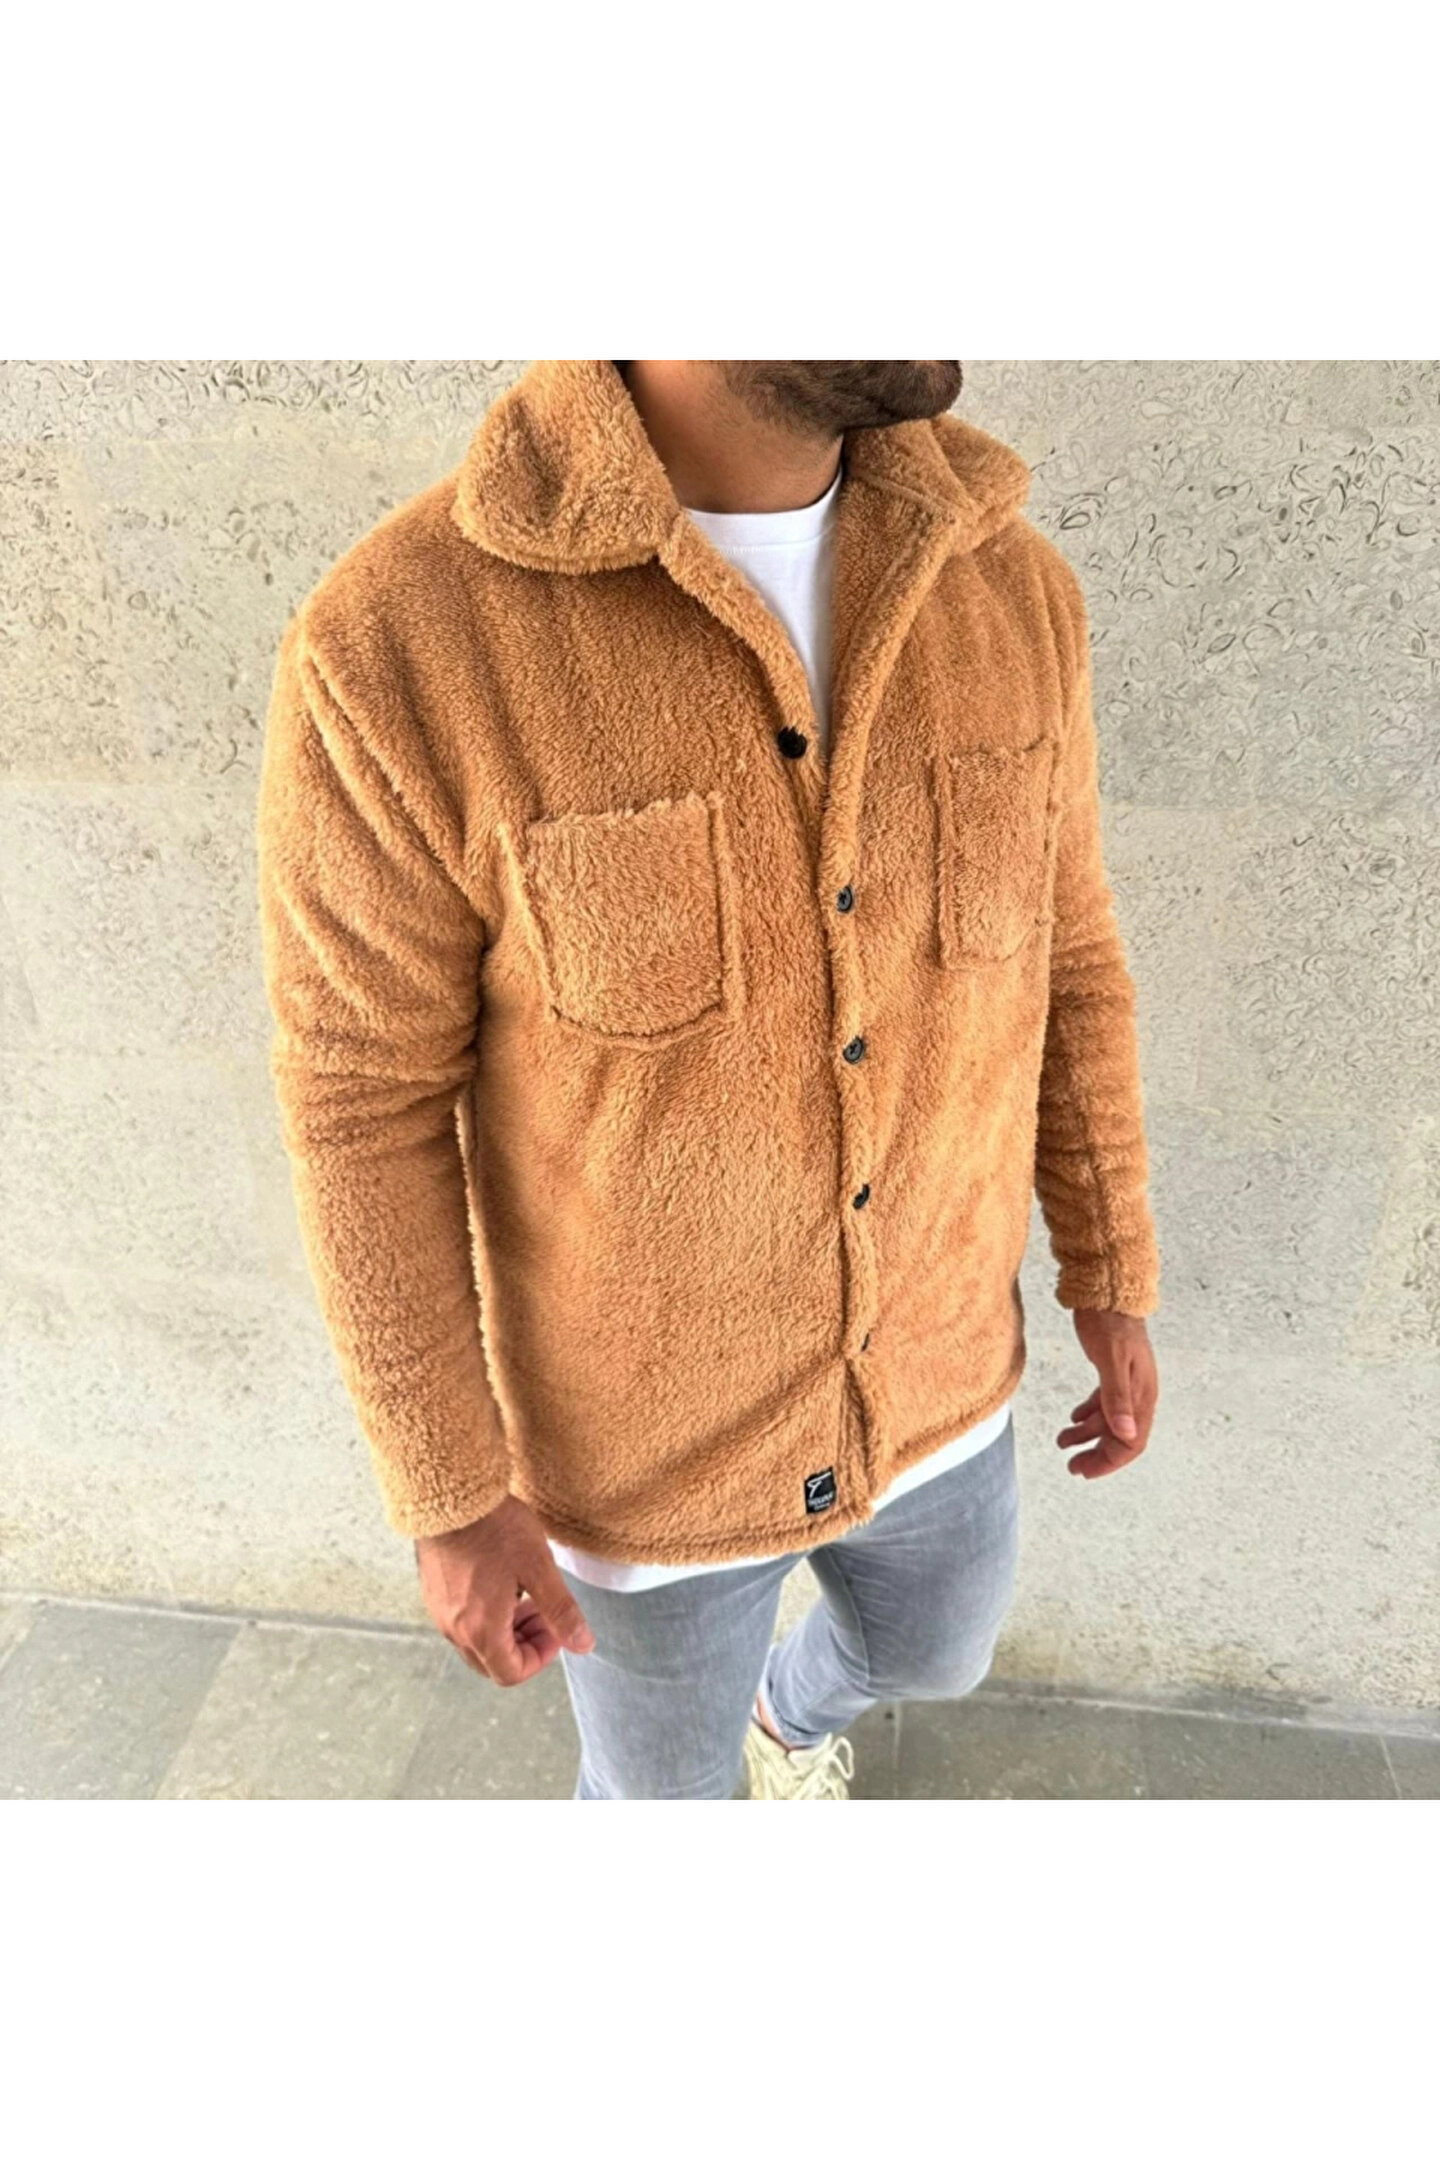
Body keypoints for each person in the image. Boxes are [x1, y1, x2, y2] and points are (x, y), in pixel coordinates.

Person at [256, 359, 1161, 1801]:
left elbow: (1074, 954)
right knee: (658, 1807)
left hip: (943, 1366)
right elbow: (362, 1103)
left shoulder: (1011, 589)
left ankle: (787, 1725)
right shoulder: (401, 648)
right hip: (640, 1459)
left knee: (936, 1655)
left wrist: (1108, 1266)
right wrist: (448, 1492)